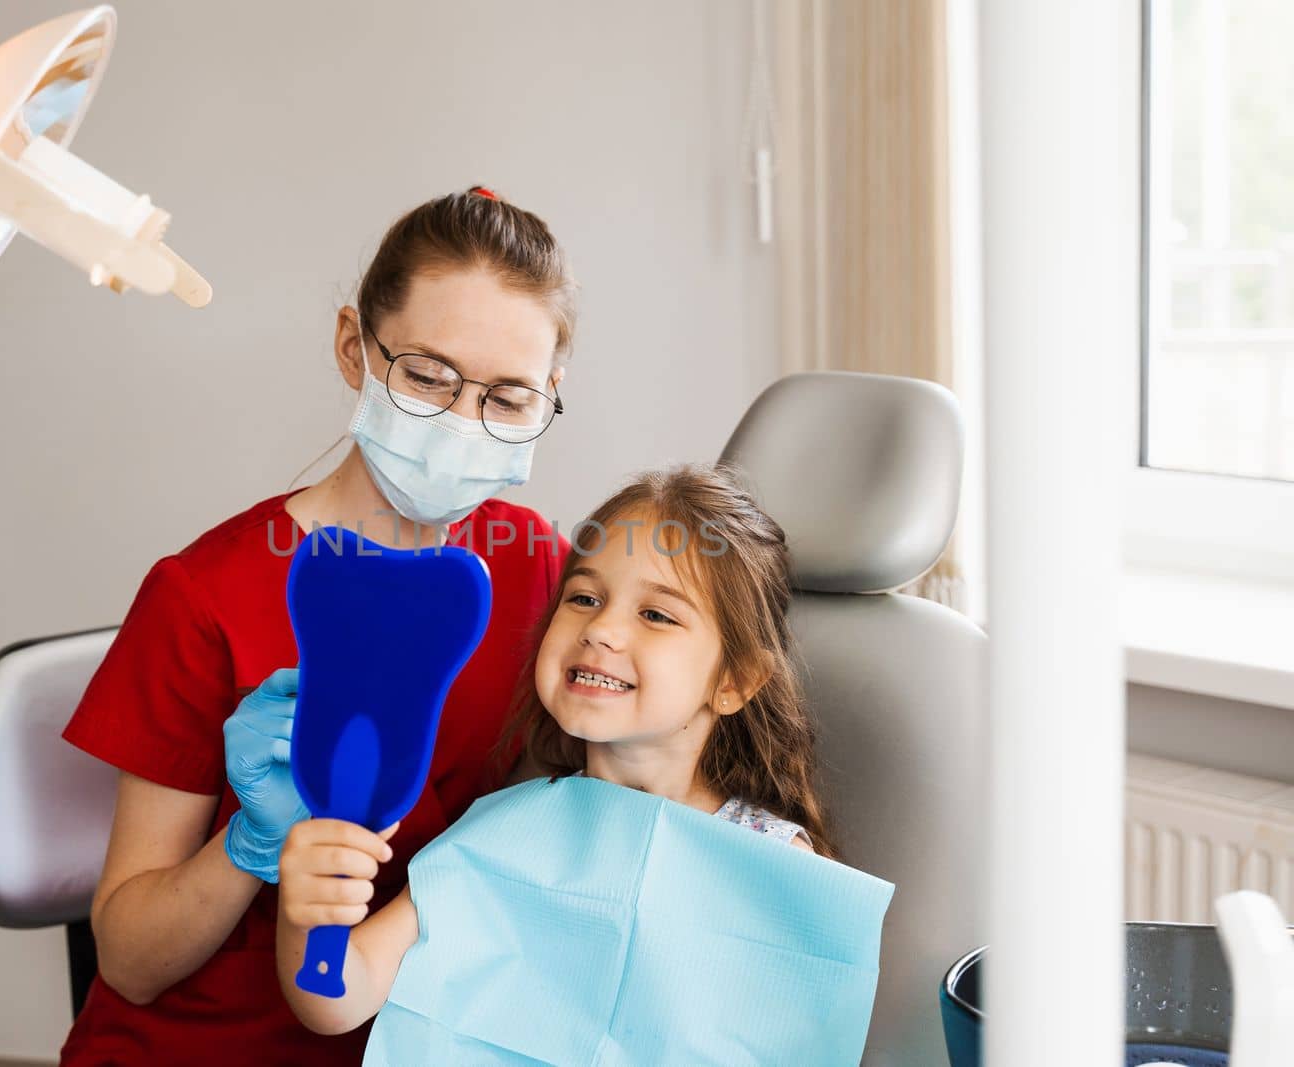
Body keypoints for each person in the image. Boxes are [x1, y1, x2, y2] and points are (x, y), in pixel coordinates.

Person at [58, 186, 577, 1065]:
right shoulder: (204, 596)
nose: (461, 423)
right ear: (354, 350)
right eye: (427, 375)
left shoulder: (537, 569)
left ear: (549, 395)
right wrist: (250, 844)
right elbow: (130, 960)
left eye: (506, 397)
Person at [275, 462, 837, 1040]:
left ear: (735, 682)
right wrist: (311, 915)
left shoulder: (772, 866)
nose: (600, 629)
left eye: (655, 614)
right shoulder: (503, 830)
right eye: (585, 597)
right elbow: (337, 999)